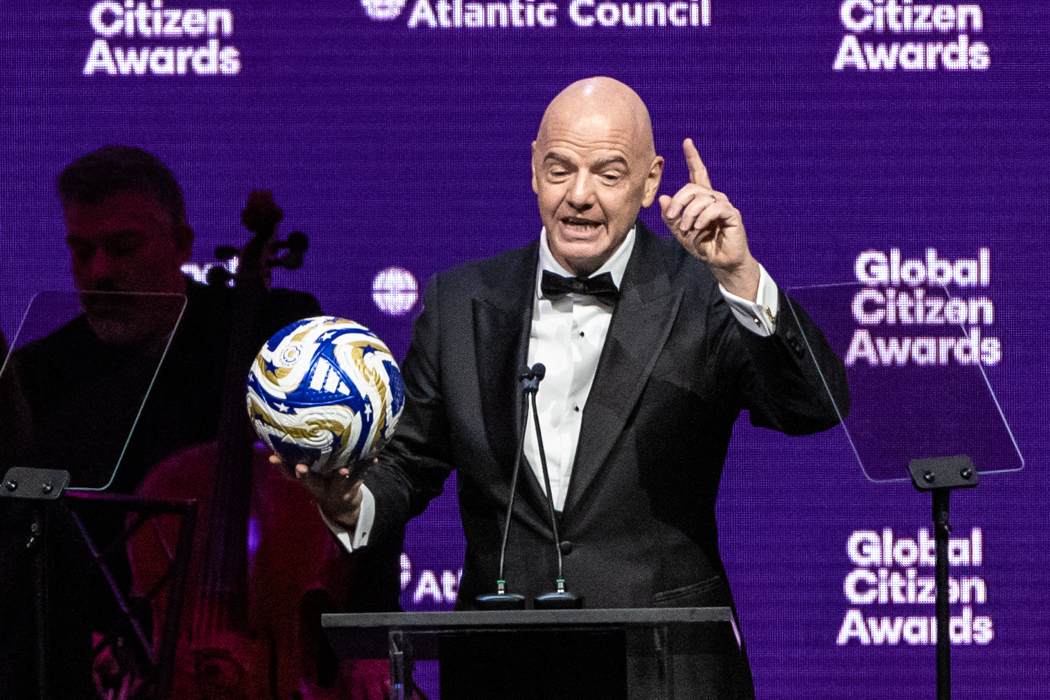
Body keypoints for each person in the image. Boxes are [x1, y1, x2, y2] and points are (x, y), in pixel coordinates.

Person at [288, 77, 849, 698]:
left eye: (609, 174)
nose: (579, 196)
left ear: (650, 180)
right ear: (534, 168)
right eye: (560, 169)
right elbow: (409, 463)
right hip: (502, 665)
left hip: (665, 667)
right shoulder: (461, 301)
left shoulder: (703, 293)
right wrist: (349, 504)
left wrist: (740, 274)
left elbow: (813, 406)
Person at [1, 146, 401, 699]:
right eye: (81, 249)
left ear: (181, 245)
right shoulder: (41, 374)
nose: (99, 271)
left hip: (276, 664)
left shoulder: (276, 332)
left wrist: (367, 644)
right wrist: (74, 637)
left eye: (123, 248)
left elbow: (368, 477)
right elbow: (29, 548)